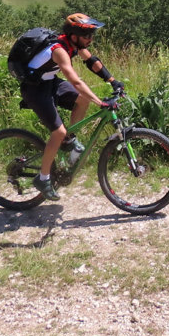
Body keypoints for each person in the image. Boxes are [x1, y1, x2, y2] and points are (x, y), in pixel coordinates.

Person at [18, 13, 123, 201]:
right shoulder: (59, 49)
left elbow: (92, 61)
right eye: (87, 36)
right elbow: (75, 80)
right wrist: (99, 102)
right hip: (34, 90)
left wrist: (112, 80)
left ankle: (69, 140)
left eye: (92, 36)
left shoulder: (75, 44)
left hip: (49, 82)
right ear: (74, 35)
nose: (90, 40)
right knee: (57, 132)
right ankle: (43, 178)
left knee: (82, 100)